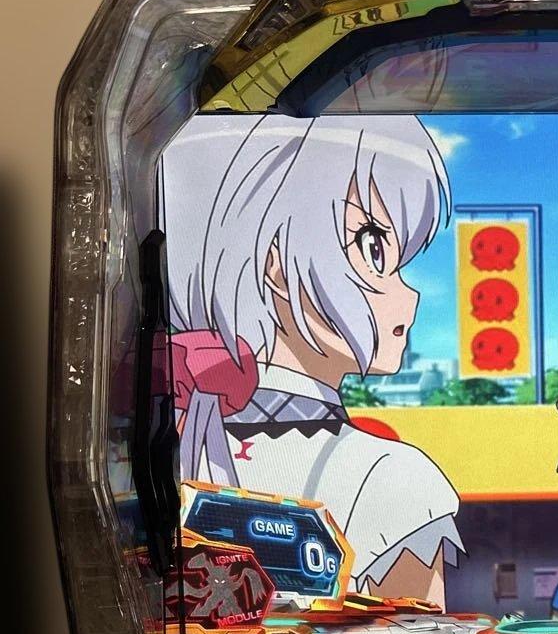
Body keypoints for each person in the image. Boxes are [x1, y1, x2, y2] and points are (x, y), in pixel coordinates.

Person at [160, 114, 462, 606]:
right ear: (275, 261)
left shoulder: (162, 446)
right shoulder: (390, 474)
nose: (409, 298)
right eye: (374, 251)